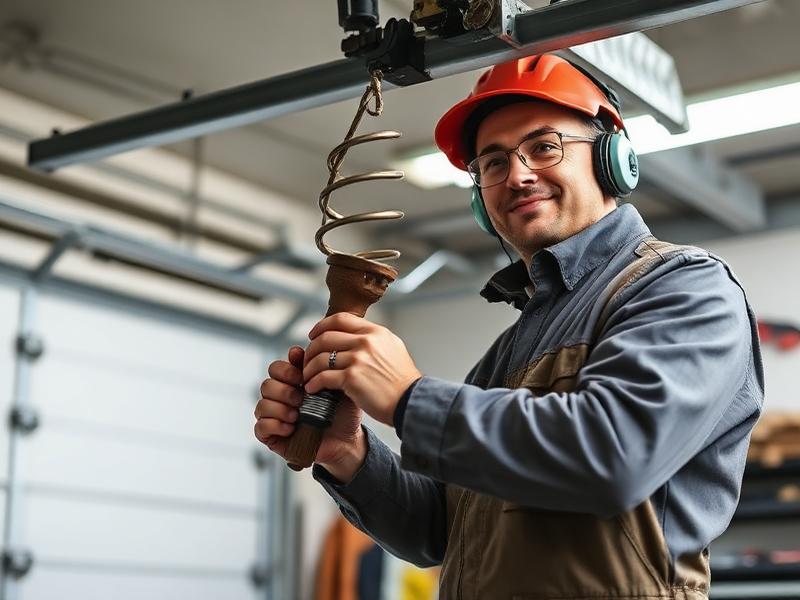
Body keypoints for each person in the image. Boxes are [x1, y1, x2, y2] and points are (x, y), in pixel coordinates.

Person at [254, 54, 764, 599]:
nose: (516, 176)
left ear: (613, 158)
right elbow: (439, 533)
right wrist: (348, 454)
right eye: (492, 163)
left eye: (544, 147)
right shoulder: (512, 348)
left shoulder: (683, 288)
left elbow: (615, 456)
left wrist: (410, 398)